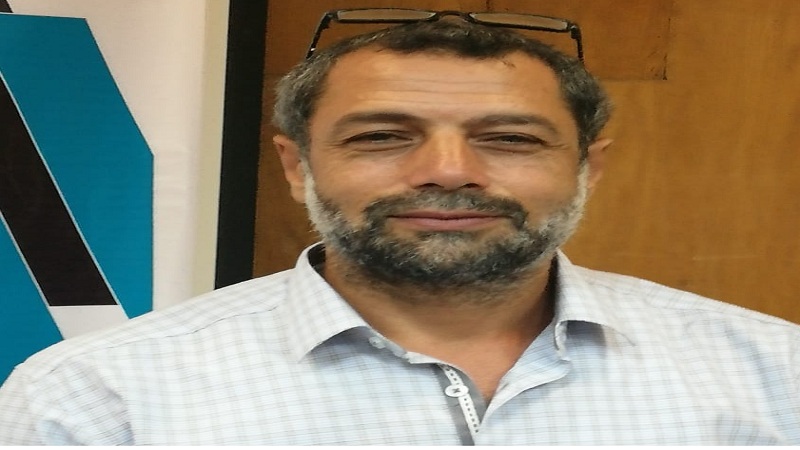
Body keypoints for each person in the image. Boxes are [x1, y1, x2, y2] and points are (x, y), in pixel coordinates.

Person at [1, 10, 798, 445]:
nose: (447, 171)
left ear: (587, 168)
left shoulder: (774, 376)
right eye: (382, 136)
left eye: (509, 139)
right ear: (295, 165)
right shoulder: (101, 398)